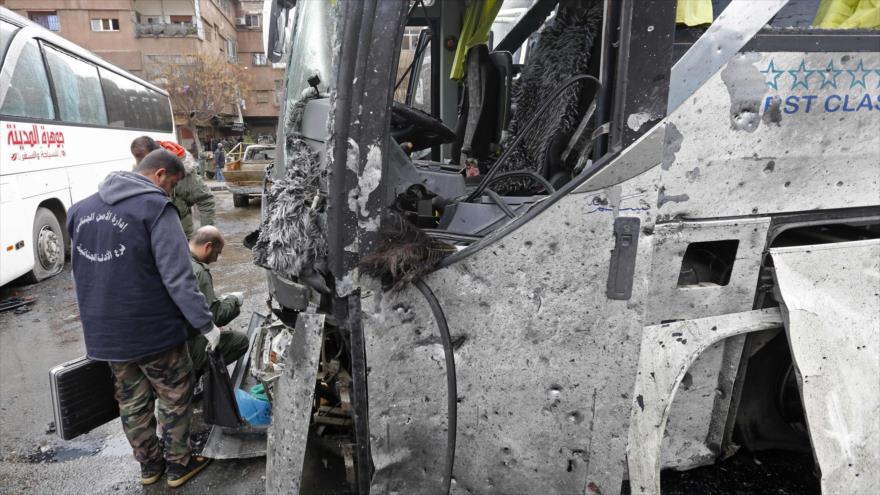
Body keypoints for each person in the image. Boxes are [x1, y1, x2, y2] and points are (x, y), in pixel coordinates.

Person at [67, 149, 219, 488]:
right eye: (173, 185)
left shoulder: (80, 210)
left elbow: (80, 276)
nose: (172, 193)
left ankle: (150, 467)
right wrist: (205, 324)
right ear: (160, 174)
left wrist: (94, 324)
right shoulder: (156, 208)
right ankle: (179, 465)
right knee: (174, 395)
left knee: (132, 402)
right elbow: (179, 277)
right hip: (154, 331)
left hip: (108, 335)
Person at [187, 226, 249, 375]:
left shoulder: (175, 257)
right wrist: (233, 300)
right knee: (241, 341)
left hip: (163, 339)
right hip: (182, 348)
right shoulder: (199, 271)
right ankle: (195, 375)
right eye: (217, 253)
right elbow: (215, 316)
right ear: (208, 247)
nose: (216, 259)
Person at [130, 136, 216, 239]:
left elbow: (206, 200)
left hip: (180, 235)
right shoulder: (139, 169)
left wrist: (205, 236)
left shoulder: (183, 173)